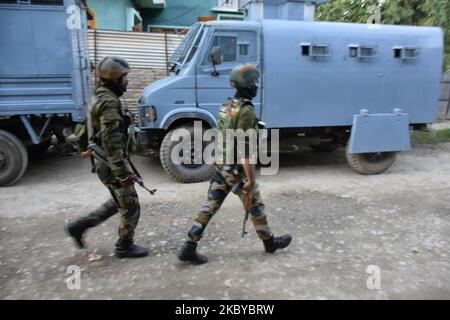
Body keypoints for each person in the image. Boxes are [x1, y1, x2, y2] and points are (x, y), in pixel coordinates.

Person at [177, 64, 292, 265]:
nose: (256, 86)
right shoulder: (246, 111)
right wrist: (250, 178)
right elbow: (245, 149)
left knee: (211, 205)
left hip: (222, 163)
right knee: (255, 203)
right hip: (236, 167)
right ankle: (269, 242)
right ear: (248, 85)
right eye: (254, 82)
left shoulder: (228, 105)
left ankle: (189, 245)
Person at [65, 56, 148, 259]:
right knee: (131, 206)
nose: (127, 81)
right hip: (110, 164)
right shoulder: (109, 103)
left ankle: (79, 226)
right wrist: (122, 175)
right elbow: (111, 145)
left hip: (105, 162)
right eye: (124, 77)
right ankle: (124, 246)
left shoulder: (99, 96)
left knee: (118, 202)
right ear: (115, 78)